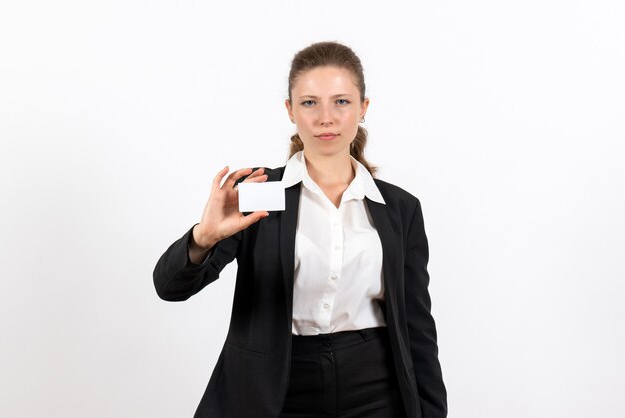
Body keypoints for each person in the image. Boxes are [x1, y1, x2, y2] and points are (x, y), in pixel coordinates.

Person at [153, 41, 447, 418]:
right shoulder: (259, 194)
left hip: (376, 385)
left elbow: (417, 327)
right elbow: (169, 288)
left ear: (363, 109)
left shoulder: (400, 208)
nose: (326, 117)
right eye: (309, 102)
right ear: (290, 110)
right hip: (275, 386)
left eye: (341, 101)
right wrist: (203, 238)